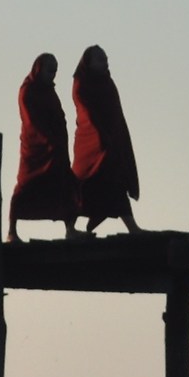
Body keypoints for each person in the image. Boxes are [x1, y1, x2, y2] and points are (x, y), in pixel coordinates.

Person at [70, 44, 142, 236]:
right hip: (90, 144)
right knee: (84, 183)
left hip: (112, 141)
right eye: (100, 59)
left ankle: (132, 226)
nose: (105, 63)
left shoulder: (107, 82)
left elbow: (116, 113)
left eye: (106, 59)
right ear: (89, 62)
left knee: (115, 180)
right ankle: (71, 227)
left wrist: (117, 137)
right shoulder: (81, 83)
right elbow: (86, 113)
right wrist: (99, 136)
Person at [8, 52, 79, 241]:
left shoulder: (49, 91)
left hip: (56, 149)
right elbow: (31, 121)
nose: (52, 75)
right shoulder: (27, 91)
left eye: (55, 71)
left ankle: (70, 228)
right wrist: (47, 140)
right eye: (50, 70)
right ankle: (12, 231)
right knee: (26, 186)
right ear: (39, 69)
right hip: (36, 149)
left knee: (64, 184)